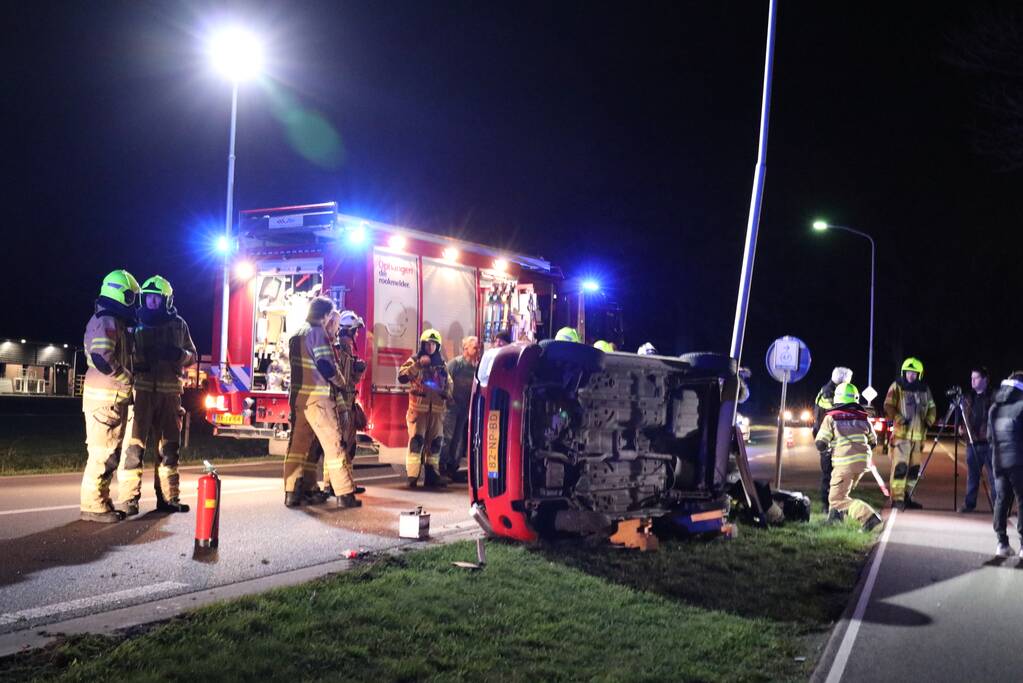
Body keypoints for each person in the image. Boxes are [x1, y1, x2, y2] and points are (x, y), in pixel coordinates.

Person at [118, 276, 196, 516]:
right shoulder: (134, 321)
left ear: (166, 300)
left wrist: (176, 354)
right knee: (134, 448)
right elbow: (123, 351)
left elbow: (192, 355)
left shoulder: (178, 324)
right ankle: (129, 500)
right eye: (148, 297)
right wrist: (136, 364)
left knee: (169, 450)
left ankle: (169, 498)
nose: (151, 302)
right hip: (141, 393)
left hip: (170, 395)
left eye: (156, 298)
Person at [283, 297, 361, 509]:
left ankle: (292, 493)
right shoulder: (317, 333)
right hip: (319, 399)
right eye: (329, 316)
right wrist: (341, 381)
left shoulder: (297, 334)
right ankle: (345, 494)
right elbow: (326, 365)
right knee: (334, 446)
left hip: (299, 400)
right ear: (325, 314)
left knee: (298, 448)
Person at [79, 270, 141, 523]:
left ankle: (100, 502)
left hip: (111, 399)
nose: (134, 302)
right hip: (106, 399)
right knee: (103, 454)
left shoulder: (113, 321)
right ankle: (93, 506)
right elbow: (102, 358)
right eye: (131, 296)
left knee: (108, 454)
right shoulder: (107, 321)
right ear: (120, 294)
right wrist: (127, 377)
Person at [814, 382, 883, 531]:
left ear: (837, 399)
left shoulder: (831, 417)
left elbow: (820, 442)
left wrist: (826, 447)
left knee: (836, 498)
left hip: (844, 463)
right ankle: (834, 519)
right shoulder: (863, 417)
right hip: (862, 463)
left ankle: (869, 517)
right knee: (840, 490)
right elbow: (873, 441)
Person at [398, 329, 452, 488]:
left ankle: (432, 476)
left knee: (435, 444)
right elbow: (402, 376)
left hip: (436, 412)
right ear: (422, 344)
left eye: (434, 344)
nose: (430, 347)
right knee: (416, 442)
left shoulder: (441, 364)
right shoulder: (414, 360)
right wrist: (418, 364)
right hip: (418, 411)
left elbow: (449, 383)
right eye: (428, 344)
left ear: (438, 346)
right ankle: (412, 477)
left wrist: (447, 393)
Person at [884, 357, 936, 510]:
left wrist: (929, 420)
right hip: (902, 437)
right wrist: (898, 418)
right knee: (900, 468)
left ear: (919, 374)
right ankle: (897, 499)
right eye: (908, 372)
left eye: (914, 373)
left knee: (913, 470)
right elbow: (888, 405)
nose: (911, 375)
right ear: (904, 372)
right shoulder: (897, 386)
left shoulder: (924, 389)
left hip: (918, 437)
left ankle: (908, 496)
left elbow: (932, 407)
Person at [989, 371, 1023, 558]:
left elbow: (989, 437)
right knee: (1022, 500)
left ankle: (1001, 543)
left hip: (998, 462)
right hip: (1019, 461)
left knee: (1002, 500)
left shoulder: (994, 407)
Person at [813, 367, 853, 513]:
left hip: (829, 439)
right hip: (829, 440)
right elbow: (835, 413)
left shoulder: (827, 391)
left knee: (837, 474)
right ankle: (827, 506)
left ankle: (835, 506)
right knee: (829, 474)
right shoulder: (828, 393)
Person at [441, 335, 480, 479]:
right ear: (465, 349)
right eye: (475, 347)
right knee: (447, 437)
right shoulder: (456, 364)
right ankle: (441, 467)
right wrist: (448, 398)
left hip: (464, 409)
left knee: (458, 439)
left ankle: (452, 468)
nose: (477, 350)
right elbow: (444, 380)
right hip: (451, 407)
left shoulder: (476, 367)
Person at [959, 366, 995, 513]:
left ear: (985, 380)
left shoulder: (993, 397)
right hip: (972, 443)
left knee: (994, 477)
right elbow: (965, 417)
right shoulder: (969, 398)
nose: (972, 381)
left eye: (976, 378)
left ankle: (998, 506)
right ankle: (969, 504)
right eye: (971, 378)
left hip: (989, 444)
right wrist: (962, 429)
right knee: (972, 476)